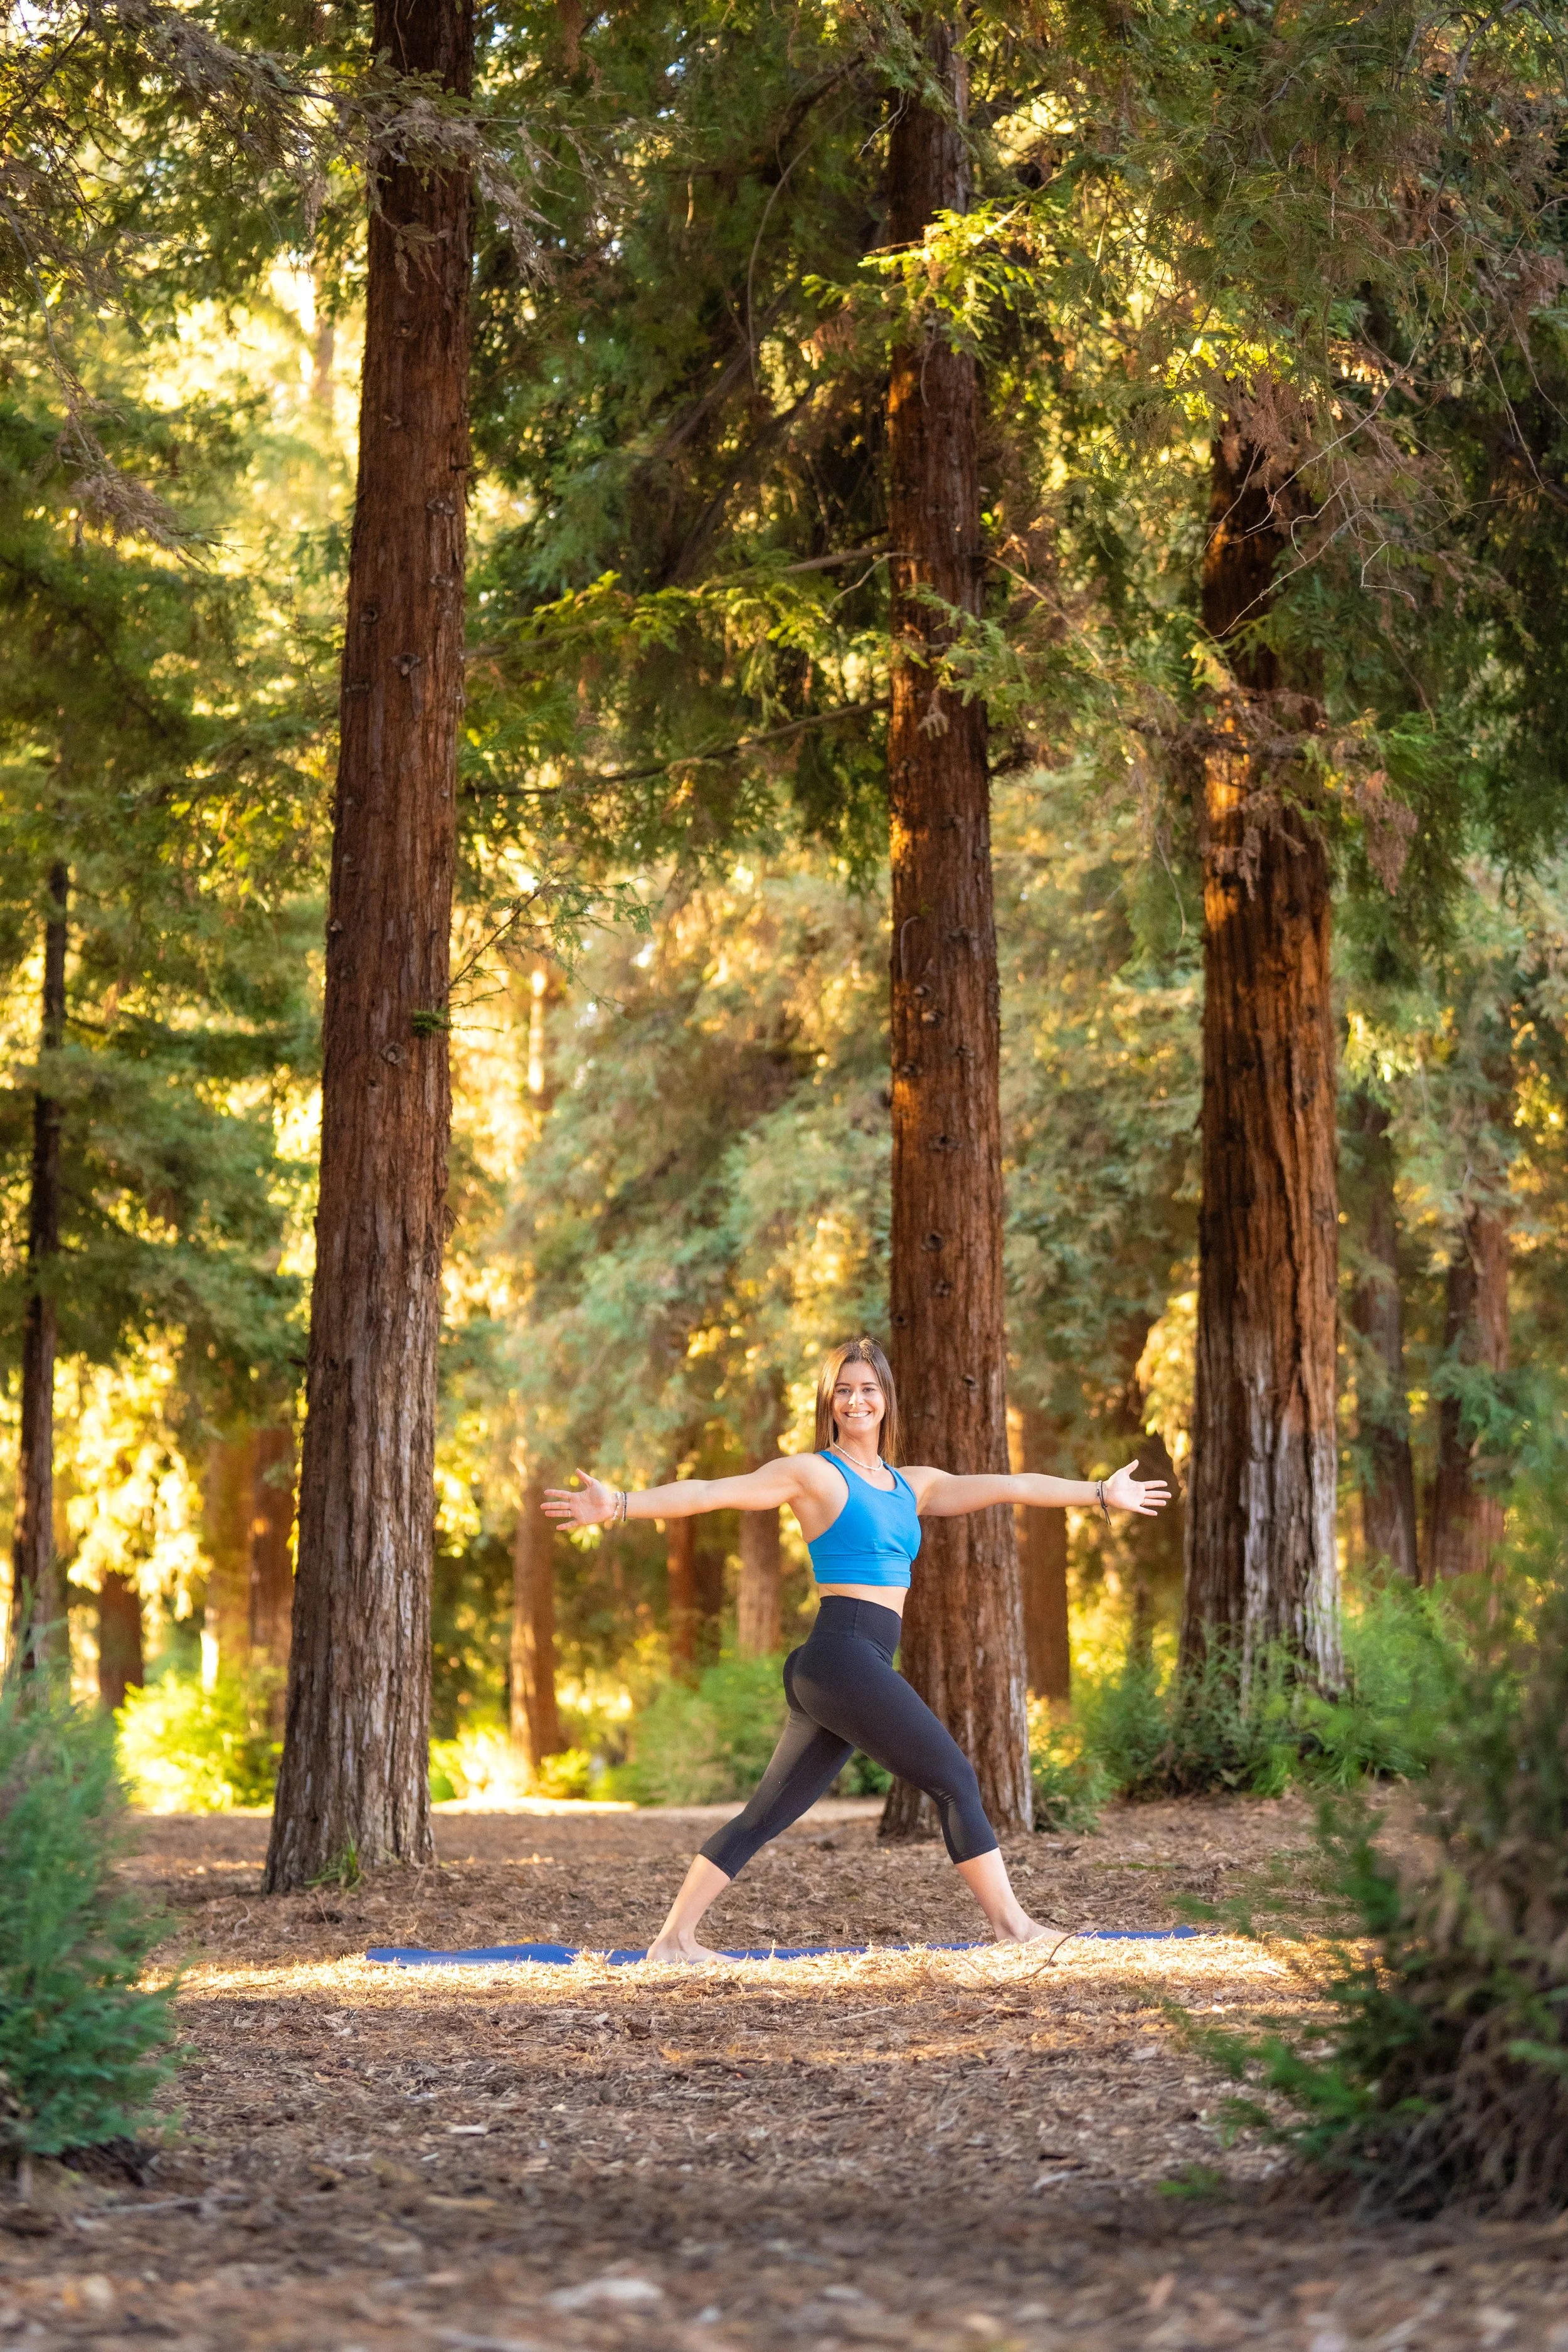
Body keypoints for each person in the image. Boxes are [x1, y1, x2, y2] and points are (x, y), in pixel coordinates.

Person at [543, 1336, 1171, 1964]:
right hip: (840, 1656)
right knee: (954, 1779)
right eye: (842, 1390)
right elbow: (712, 1491)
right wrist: (621, 1505)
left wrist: (1098, 1493)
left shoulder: (912, 1485)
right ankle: (1012, 1928)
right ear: (828, 1401)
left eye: (867, 1388)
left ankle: (672, 1942)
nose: (855, 1400)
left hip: (847, 1665)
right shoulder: (814, 1474)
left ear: (886, 1399)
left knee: (765, 1815)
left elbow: (1009, 1485)